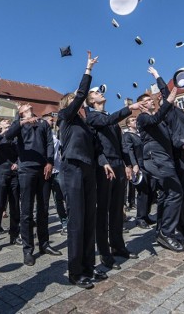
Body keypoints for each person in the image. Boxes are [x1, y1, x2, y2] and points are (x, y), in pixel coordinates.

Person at [57, 51, 114, 289]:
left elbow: (98, 148)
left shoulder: (86, 126)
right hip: (72, 169)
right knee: (77, 222)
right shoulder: (66, 118)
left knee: (89, 219)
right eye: (75, 102)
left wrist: (105, 162)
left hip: (89, 170)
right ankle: (76, 271)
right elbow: (81, 95)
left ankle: (89, 267)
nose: (79, 104)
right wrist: (88, 70)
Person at [85, 89, 146, 269]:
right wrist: (129, 108)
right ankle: (105, 252)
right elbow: (98, 141)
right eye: (96, 93)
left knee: (117, 209)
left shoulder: (109, 117)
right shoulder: (93, 117)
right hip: (105, 167)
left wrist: (128, 164)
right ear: (91, 101)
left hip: (119, 165)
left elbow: (121, 144)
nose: (101, 93)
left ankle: (118, 246)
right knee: (103, 211)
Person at [149, 67, 184, 241]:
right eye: (163, 98)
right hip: (180, 154)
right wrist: (157, 75)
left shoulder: (179, 111)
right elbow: (173, 136)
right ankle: (183, 226)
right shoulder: (168, 112)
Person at [3, 103, 61, 266]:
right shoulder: (19, 124)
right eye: (23, 107)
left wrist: (49, 162)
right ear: (20, 113)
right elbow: (8, 135)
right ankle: (28, 249)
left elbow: (49, 143)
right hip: (26, 169)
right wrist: (21, 121)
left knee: (43, 210)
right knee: (27, 211)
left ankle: (44, 244)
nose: (27, 105)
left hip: (44, 169)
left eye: (28, 105)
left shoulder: (43, 123)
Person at [135, 85, 184, 252]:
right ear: (141, 105)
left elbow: (169, 134)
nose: (151, 101)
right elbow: (154, 120)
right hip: (155, 158)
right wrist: (168, 101)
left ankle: (162, 230)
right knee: (176, 192)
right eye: (147, 100)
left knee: (166, 194)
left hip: (164, 158)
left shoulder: (158, 118)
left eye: (151, 99)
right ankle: (166, 232)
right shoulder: (143, 118)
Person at [0, 119, 21, 252]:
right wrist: (2, 133)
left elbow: (21, 153)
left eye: (9, 123)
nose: (8, 124)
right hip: (1, 174)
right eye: (5, 123)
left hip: (14, 175)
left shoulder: (15, 139)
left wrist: (18, 162)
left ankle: (14, 235)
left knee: (15, 207)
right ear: (0, 126)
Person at [122, 116, 156, 229]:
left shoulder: (140, 134)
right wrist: (134, 165)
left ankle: (146, 214)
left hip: (148, 164)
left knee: (151, 189)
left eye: (136, 120)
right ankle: (140, 218)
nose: (135, 121)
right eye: (132, 120)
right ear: (128, 124)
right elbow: (129, 150)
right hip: (139, 165)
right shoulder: (128, 135)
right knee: (143, 192)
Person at [42, 113, 68, 235]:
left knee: (61, 198)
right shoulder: (40, 135)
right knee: (44, 201)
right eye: (51, 120)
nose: (53, 122)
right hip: (45, 172)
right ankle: (43, 226)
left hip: (58, 170)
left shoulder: (55, 135)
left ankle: (65, 222)